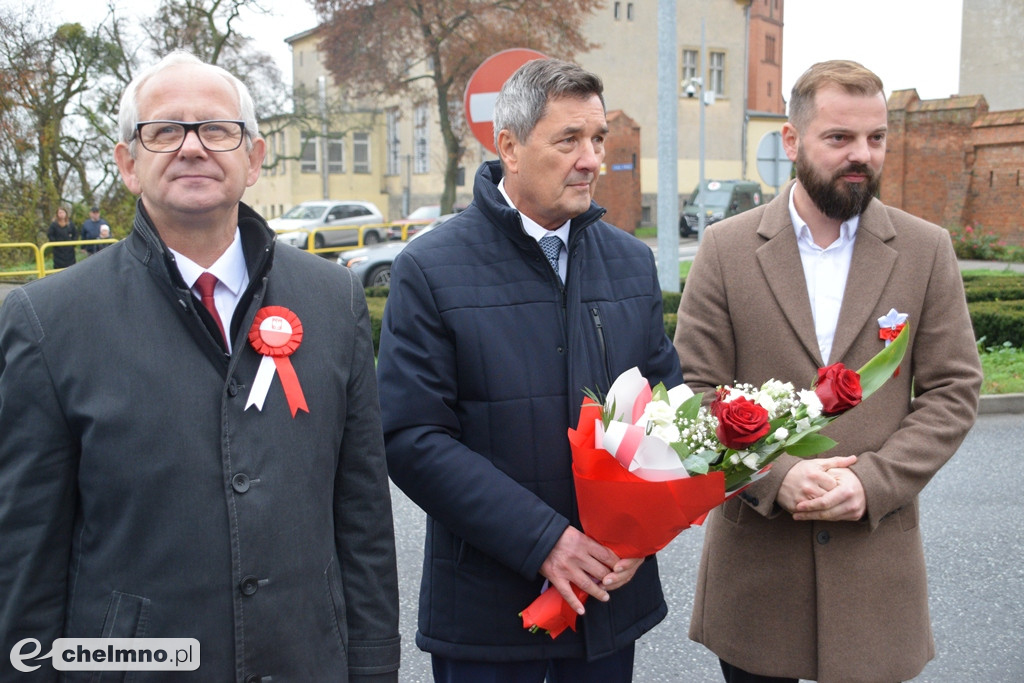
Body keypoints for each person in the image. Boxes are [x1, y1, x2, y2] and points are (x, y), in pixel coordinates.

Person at [0, 51, 400, 682]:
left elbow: (364, 517)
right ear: (128, 164)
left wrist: (374, 669)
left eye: (217, 129)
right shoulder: (48, 320)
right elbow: (28, 552)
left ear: (254, 158)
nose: (192, 147)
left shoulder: (333, 300)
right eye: (164, 131)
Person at [674, 59, 983, 683]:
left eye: (876, 137)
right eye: (840, 137)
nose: (861, 154)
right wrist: (776, 475)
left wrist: (875, 481)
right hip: (757, 577)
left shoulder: (925, 250)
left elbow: (954, 389)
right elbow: (691, 393)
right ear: (792, 140)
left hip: (876, 572)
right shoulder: (726, 249)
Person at [376, 58, 683, 683]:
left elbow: (666, 404)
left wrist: (643, 534)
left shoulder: (631, 262)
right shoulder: (430, 268)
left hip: (607, 603)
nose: (592, 159)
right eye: (568, 140)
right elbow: (412, 438)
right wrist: (544, 541)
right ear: (510, 148)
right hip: (489, 618)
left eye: (598, 138)